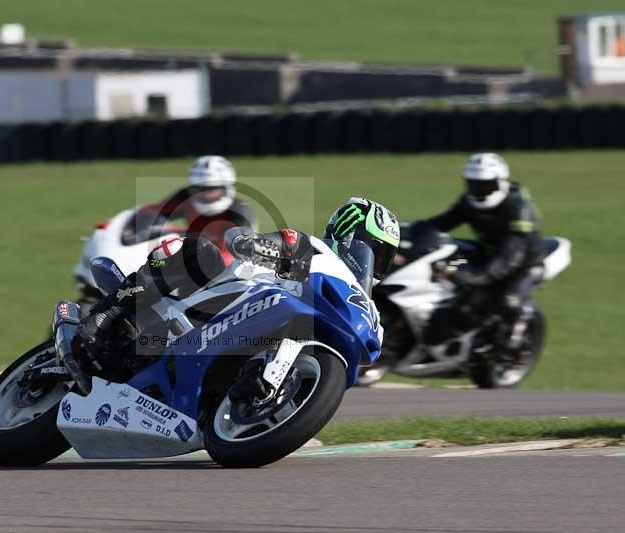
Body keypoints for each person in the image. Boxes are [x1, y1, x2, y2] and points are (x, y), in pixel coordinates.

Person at [56, 198, 399, 394]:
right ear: (349, 235)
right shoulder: (316, 251)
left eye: (383, 257)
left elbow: (370, 354)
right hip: (218, 301)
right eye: (373, 250)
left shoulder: (367, 309)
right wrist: (257, 246)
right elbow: (245, 240)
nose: (374, 263)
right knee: (199, 251)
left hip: (250, 339)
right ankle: (104, 316)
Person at [423, 153, 543, 348]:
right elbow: (443, 222)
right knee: (448, 264)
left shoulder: (518, 209)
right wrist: (412, 230)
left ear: (501, 182)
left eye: (486, 185)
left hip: (524, 264)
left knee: (507, 301)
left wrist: (479, 277)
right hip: (488, 253)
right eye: (474, 184)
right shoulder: (468, 202)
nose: (479, 191)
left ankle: (508, 335)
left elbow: (511, 255)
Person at [122, 155, 256, 260]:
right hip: (192, 247)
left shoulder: (240, 213)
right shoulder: (185, 198)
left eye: (213, 189)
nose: (207, 194)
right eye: (202, 188)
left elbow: (243, 254)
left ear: (227, 187)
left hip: (224, 261)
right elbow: (155, 211)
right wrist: (138, 231)